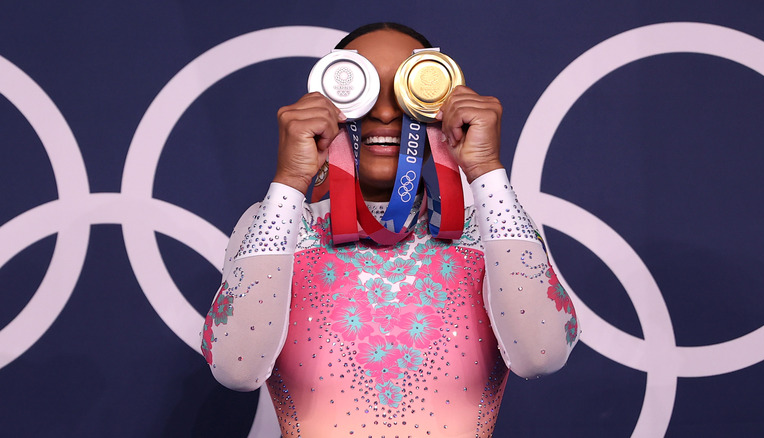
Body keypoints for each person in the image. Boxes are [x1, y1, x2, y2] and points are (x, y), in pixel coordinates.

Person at [201, 22, 579, 437]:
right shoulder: (280, 227)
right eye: (361, 91)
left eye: (407, 93)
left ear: (439, 105)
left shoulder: (486, 232)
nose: (384, 112)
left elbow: (542, 355)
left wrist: (486, 171)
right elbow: (235, 367)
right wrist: (290, 180)